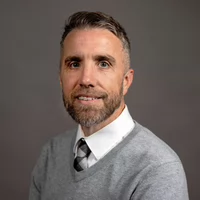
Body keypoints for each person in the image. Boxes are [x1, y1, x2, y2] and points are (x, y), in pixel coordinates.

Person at [29, 11, 189, 200]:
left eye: (103, 64)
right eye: (74, 64)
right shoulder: (52, 153)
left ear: (126, 81)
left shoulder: (158, 170)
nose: (86, 79)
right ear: (60, 78)